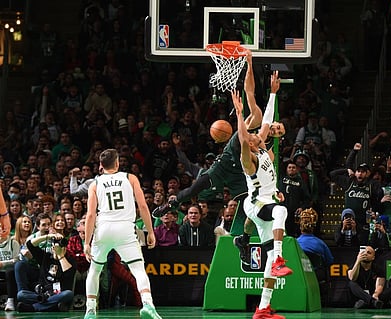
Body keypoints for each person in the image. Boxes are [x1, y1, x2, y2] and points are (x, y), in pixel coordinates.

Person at [155, 55, 285, 265]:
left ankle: (243, 239)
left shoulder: (261, 142)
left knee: (250, 205)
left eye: (278, 131)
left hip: (239, 173)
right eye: (276, 126)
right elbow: (250, 91)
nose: (275, 129)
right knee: (196, 188)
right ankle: (171, 204)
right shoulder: (254, 124)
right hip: (223, 165)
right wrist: (250, 65)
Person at [232, 90, 292, 319]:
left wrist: (274, 93)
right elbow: (242, 138)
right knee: (281, 211)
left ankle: (263, 308)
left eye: (259, 135)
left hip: (266, 201)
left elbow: (266, 118)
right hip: (255, 204)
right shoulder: (249, 159)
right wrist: (239, 115)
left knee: (266, 259)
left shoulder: (264, 148)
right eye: (253, 136)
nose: (259, 134)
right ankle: (278, 258)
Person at [83, 149, 162, 319]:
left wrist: (87, 242)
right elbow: (142, 206)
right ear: (117, 163)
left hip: (103, 228)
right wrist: (150, 232)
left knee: (95, 270)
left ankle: (90, 310)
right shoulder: (130, 178)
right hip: (125, 229)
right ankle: (148, 304)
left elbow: (90, 215)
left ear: (101, 166)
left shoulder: (95, 184)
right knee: (138, 269)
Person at [17, 231, 75, 312]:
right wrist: (48, 236)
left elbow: (68, 274)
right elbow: (30, 244)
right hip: (42, 294)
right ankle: (52, 306)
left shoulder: (70, 260)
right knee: (21, 294)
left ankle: (34, 307)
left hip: (58, 294)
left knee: (68, 294)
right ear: (52, 247)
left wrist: (61, 256)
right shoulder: (46, 257)